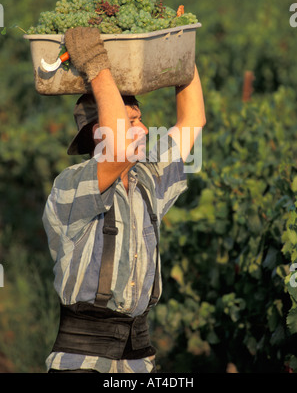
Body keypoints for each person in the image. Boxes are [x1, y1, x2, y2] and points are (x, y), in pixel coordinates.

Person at [42, 26, 206, 373]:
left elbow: (193, 121)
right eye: (132, 121)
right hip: (83, 361)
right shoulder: (71, 185)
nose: (145, 129)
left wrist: (182, 54)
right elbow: (117, 149)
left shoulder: (146, 179)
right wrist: (98, 65)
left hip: (138, 360)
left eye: (141, 119)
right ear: (98, 133)